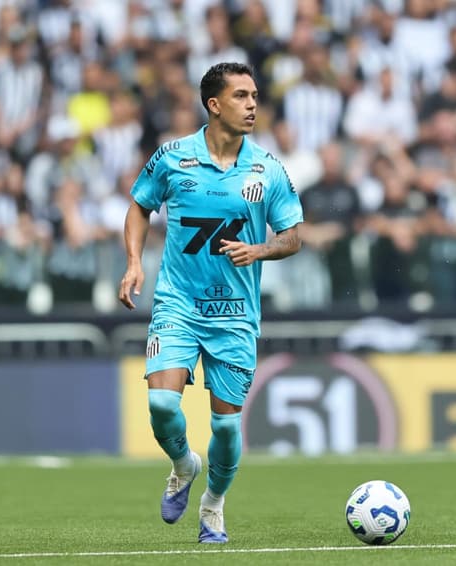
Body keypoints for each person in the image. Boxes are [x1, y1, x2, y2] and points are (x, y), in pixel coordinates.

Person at [118, 62, 303, 544]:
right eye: (241, 96)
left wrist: (260, 249)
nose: (253, 105)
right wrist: (135, 262)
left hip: (236, 317)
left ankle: (214, 506)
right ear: (214, 104)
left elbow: (294, 237)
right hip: (178, 305)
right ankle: (183, 465)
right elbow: (139, 206)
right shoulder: (173, 157)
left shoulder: (268, 168)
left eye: (255, 95)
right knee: (161, 404)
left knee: (224, 429)